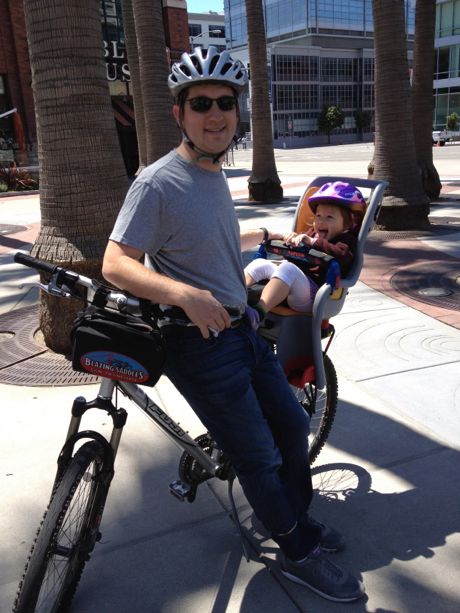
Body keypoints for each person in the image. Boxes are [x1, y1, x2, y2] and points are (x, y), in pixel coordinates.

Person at [102, 46, 364, 603]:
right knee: (259, 457)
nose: (216, 114)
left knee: (293, 428)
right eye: (201, 104)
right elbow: (115, 263)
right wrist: (184, 295)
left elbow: (205, 247)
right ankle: (296, 552)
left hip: (240, 327)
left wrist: (261, 242)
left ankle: (299, 520)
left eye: (226, 103)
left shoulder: (213, 174)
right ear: (179, 113)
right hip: (196, 342)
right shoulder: (157, 182)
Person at [245, 182, 366, 321]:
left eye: (329, 217)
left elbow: (343, 256)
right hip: (294, 286)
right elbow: (294, 253)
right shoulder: (311, 233)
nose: (321, 221)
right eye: (318, 216)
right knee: (261, 264)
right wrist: (290, 241)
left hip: (315, 295)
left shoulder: (345, 240)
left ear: (348, 224)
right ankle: (233, 296)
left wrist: (313, 242)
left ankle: (258, 312)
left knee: (288, 269)